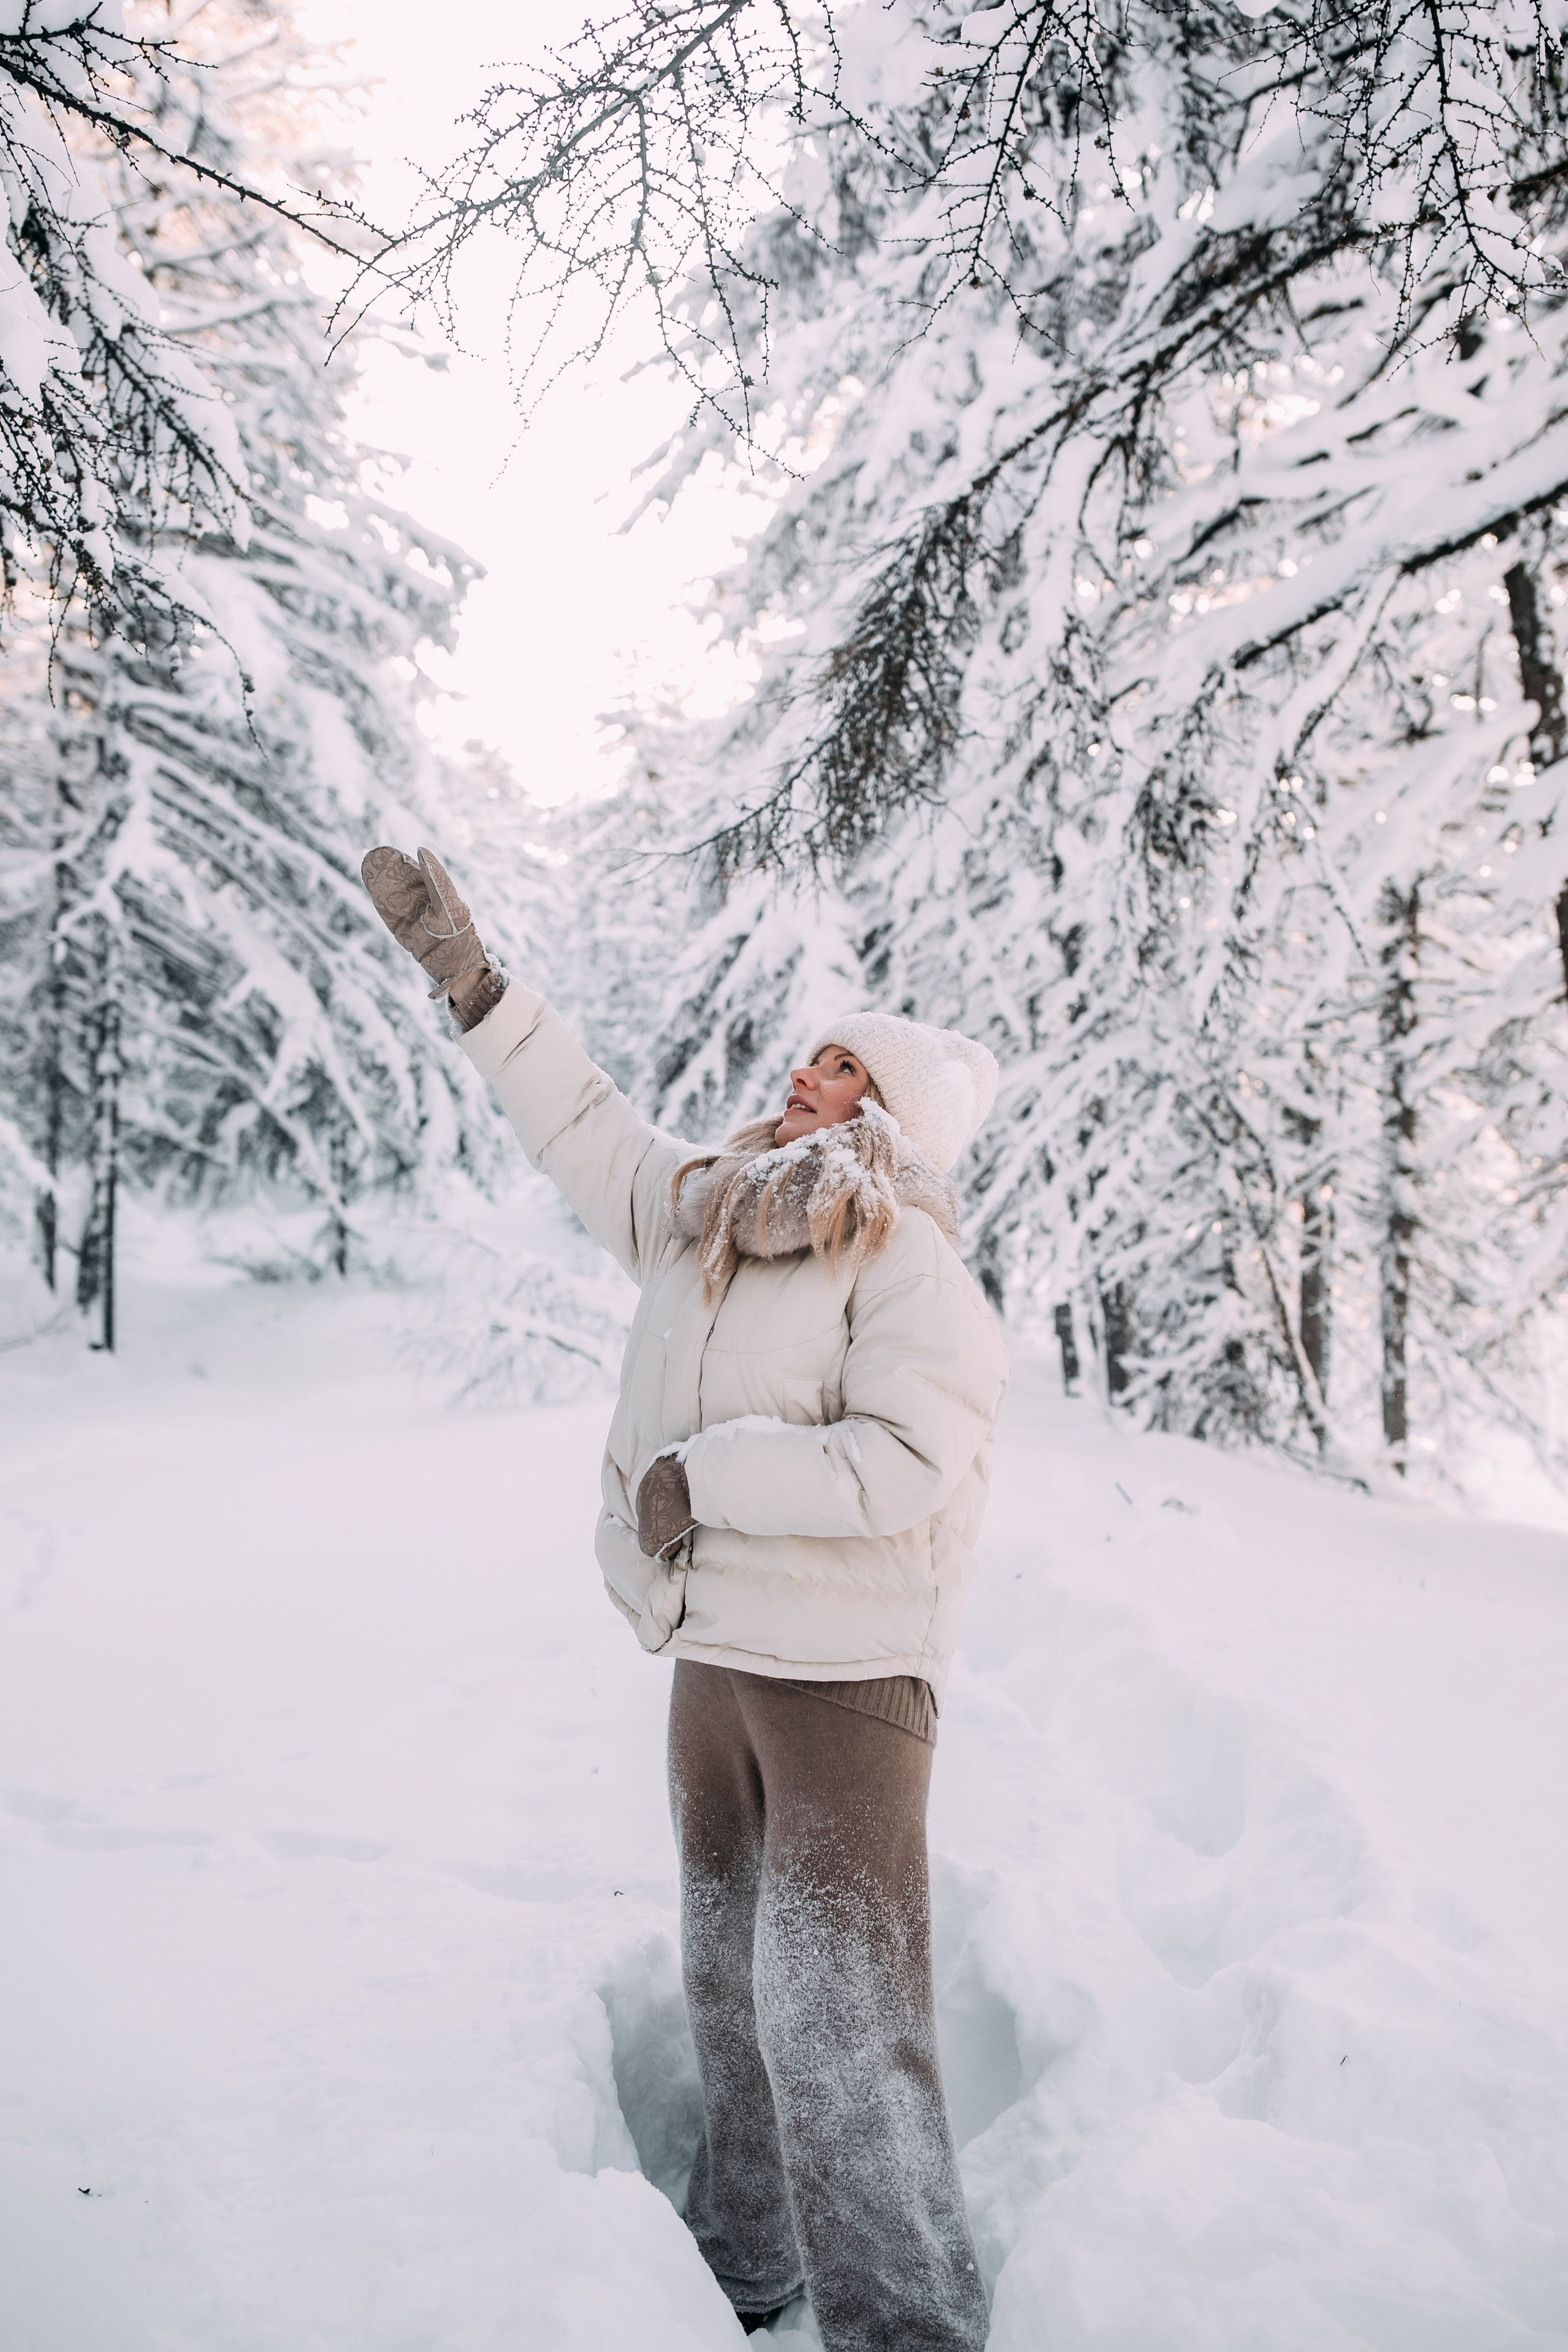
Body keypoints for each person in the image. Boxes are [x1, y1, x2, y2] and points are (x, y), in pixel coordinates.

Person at [363, 846, 1010, 2351]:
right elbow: (584, 1124)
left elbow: (906, 1460)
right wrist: (474, 985)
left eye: (840, 1069)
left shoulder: (905, 1259)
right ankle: (743, 2265)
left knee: (841, 2021)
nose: (803, 1075)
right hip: (711, 1657)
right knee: (726, 1984)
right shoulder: (705, 1217)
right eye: (808, 1054)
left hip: (848, 1680)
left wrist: (704, 1476)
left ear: (889, 1113)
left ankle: (906, 2325)